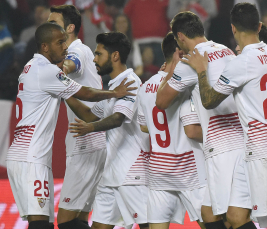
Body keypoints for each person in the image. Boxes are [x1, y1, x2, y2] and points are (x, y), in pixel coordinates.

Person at [180, 3, 267, 229]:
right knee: (236, 216)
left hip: (265, 151)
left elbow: (208, 101)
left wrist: (200, 70)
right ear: (259, 26)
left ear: (233, 29)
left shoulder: (241, 63)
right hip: (257, 150)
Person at [6, 23, 134, 229]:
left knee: (44, 225)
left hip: (27, 156)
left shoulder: (31, 68)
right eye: (60, 42)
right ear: (45, 47)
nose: (65, 47)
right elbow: (86, 93)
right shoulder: (45, 70)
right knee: (40, 226)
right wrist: (114, 93)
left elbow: (82, 110)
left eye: (65, 42)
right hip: (32, 158)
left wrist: (96, 123)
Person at [156, 11, 252, 229]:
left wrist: (173, 64)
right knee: (208, 213)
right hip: (240, 139)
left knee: (235, 219)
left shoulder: (191, 61)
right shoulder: (226, 50)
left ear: (180, 36)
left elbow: (161, 101)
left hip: (222, 147)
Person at [65, 32, 149, 229]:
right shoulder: (113, 87)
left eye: (98, 54)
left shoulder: (131, 82)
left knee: (149, 226)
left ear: (115, 55)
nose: (94, 59)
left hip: (132, 173)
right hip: (111, 173)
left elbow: (118, 118)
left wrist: (90, 128)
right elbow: (89, 114)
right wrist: (64, 90)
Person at [138, 32, 206, 229]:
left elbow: (144, 127)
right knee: (212, 224)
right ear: (180, 52)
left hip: (159, 170)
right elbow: (191, 131)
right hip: (188, 170)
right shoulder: (186, 86)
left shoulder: (145, 87)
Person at [47, 5, 107, 228]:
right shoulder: (80, 50)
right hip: (92, 142)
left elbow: (69, 66)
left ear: (70, 28)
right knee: (80, 218)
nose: (48, 27)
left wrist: (50, 68)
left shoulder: (77, 50)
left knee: (65, 220)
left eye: (54, 23)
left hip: (85, 144)